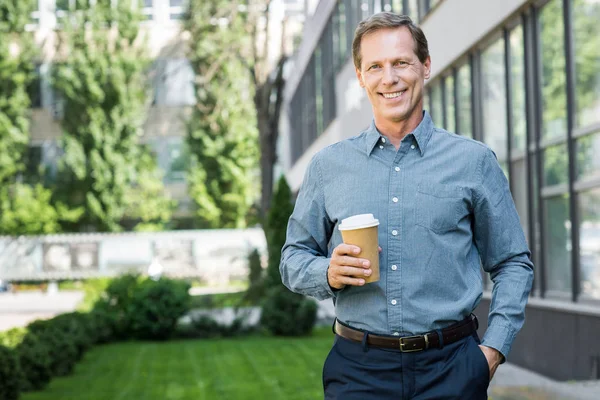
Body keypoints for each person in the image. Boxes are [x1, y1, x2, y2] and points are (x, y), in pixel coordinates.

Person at [280, 12, 534, 400]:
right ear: (360, 76)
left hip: (453, 368)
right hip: (358, 372)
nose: (390, 78)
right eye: (375, 66)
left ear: (425, 66)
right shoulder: (328, 166)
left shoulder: (473, 161)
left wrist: (492, 351)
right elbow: (292, 258)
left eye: (401, 62)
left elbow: (513, 262)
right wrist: (327, 271)